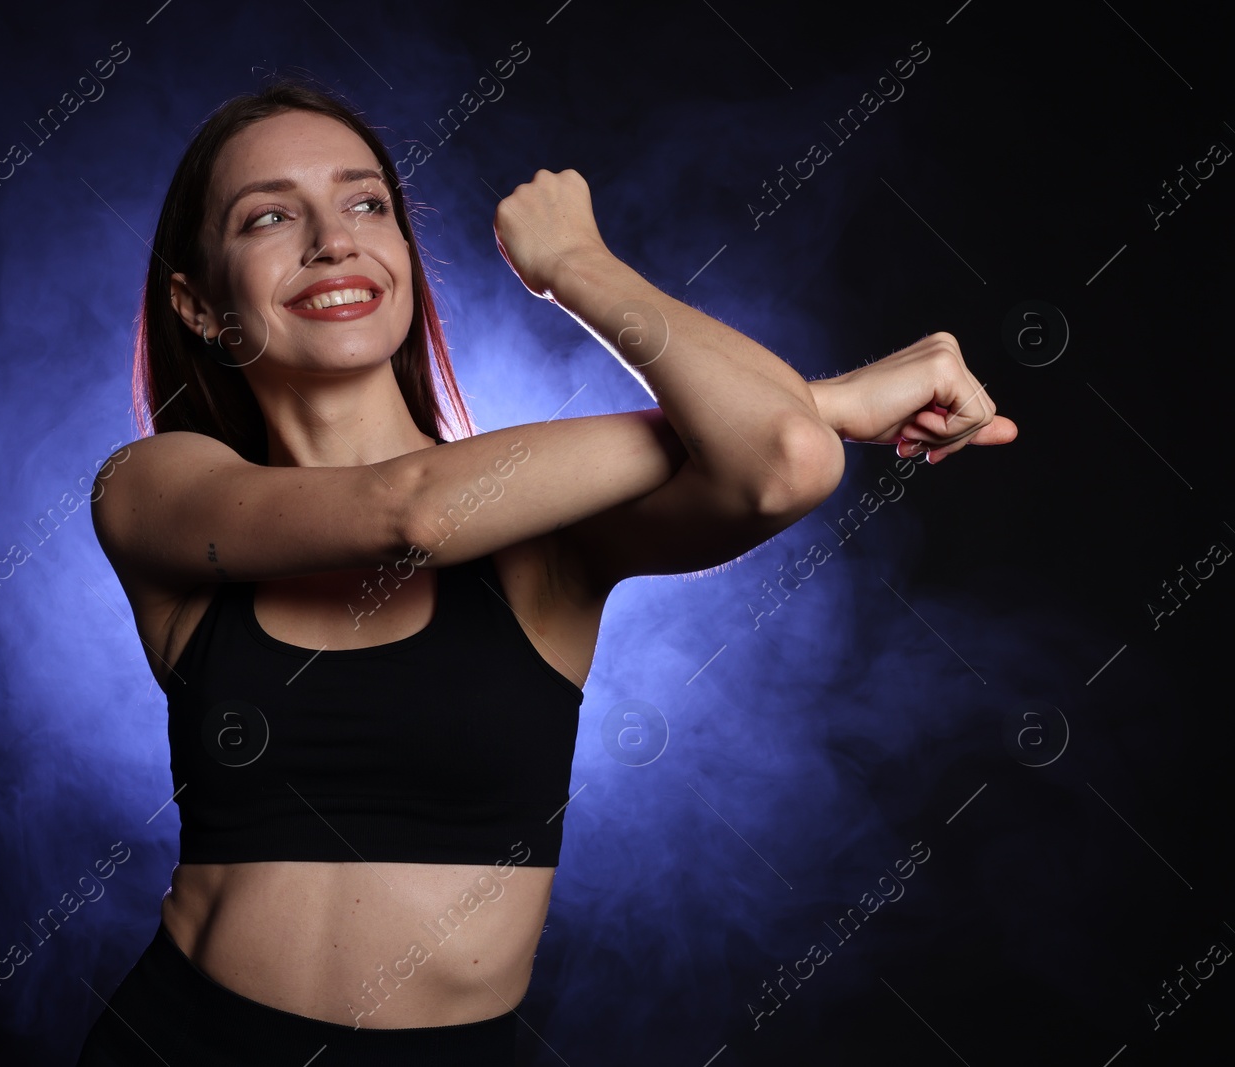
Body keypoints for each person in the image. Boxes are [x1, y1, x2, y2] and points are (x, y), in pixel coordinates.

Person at [75, 81, 1015, 1066]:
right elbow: (412, 510)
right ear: (199, 303)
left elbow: (781, 455)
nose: (332, 239)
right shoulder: (153, 485)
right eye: (270, 216)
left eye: (365, 204)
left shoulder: (547, 543)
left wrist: (577, 264)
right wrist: (836, 396)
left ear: (403, 253)